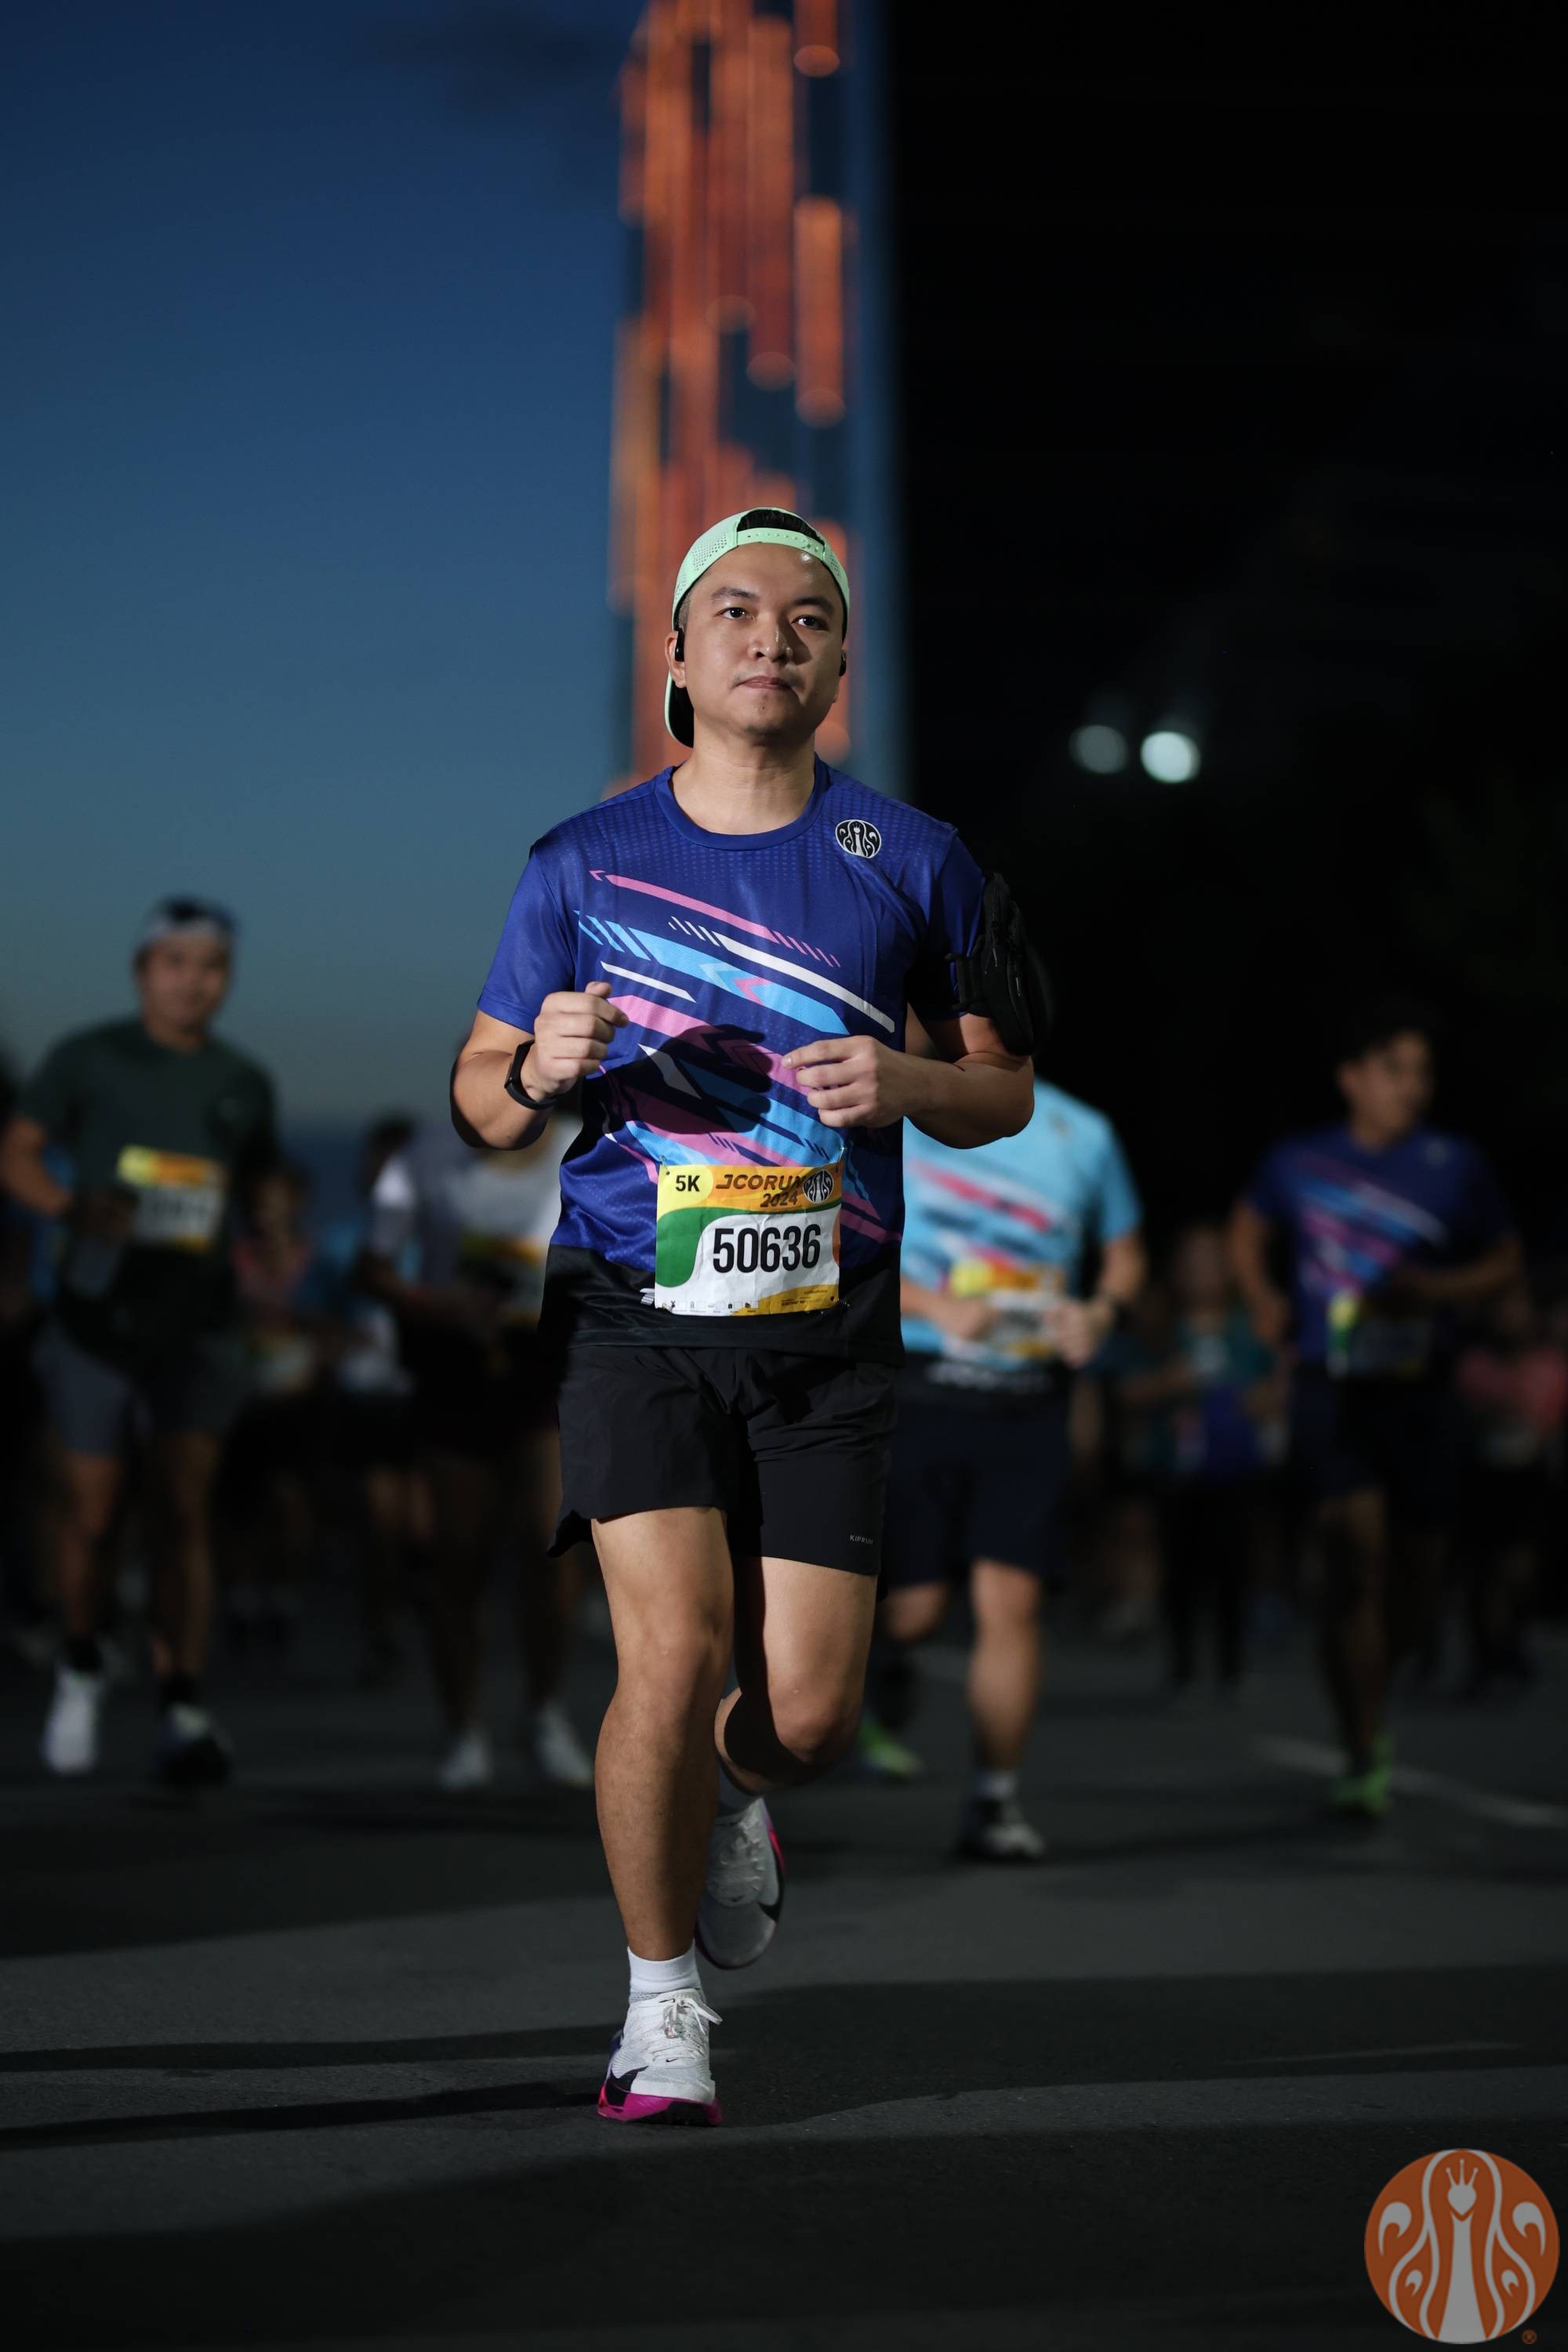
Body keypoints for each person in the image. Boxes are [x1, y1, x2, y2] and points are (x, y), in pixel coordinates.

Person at [450, 508, 1033, 2125]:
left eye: (805, 617)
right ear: (678, 654)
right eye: (734, 611)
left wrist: (909, 1080)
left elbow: (1002, 1087)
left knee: (815, 1715)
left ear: (840, 661)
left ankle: (730, 1796)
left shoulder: (915, 857)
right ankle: (661, 2010)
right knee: (670, 1651)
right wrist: (537, 1066)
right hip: (629, 1309)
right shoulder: (579, 862)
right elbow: (480, 1101)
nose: (769, 635)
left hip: (826, 1321)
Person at [0, 898, 277, 1783]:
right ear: (142, 970)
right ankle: (82, 1658)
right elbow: (17, 1152)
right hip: (97, 1320)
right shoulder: (88, 1056)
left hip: (198, 1323)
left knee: (182, 1511)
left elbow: (258, 1190)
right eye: (175, 963)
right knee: (92, 1510)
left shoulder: (245, 1080)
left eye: (211, 966)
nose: (193, 982)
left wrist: (271, 1237)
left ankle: (182, 1701)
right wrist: (69, 1207)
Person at [1229, 997, 1522, 1820]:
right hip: (1332, 1382)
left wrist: (1434, 1289)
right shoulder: (1298, 1160)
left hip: (1422, 1387)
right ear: (1352, 1078)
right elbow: (1246, 1228)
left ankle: (1373, 1680)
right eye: (1395, 1070)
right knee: (1351, 1552)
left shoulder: (1454, 1163)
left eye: (1422, 1072)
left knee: (1417, 1584)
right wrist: (1261, 1297)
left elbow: (1504, 1259)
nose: (1412, 1087)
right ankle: (1363, 1746)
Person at [869, 1026, 1145, 1857]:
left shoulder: (1083, 1132)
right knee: (914, 1611)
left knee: (1012, 1604)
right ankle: (883, 1661)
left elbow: (1124, 1254)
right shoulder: (900, 1108)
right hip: (919, 1390)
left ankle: (994, 1801)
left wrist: (1100, 1313)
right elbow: (846, 1237)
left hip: (1028, 1398)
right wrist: (933, 1306)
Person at [361, 1106, 593, 1791]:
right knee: (458, 1560)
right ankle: (463, 1729)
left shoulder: (584, 1147)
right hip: (454, 1368)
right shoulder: (422, 1157)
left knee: (553, 1546)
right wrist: (435, 1305)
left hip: (548, 1370)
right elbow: (371, 1268)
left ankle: (545, 1711)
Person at [1117, 1221, 1286, 1702]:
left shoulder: (1248, 1327)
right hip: (1174, 1465)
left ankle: (1230, 1666)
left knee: (1233, 1565)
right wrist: (1168, 1384)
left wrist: (1262, 1400)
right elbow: (1126, 1391)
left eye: (1212, 1262)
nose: (1202, 1272)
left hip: (1234, 1464)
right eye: (1192, 1263)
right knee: (1180, 1566)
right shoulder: (1160, 1328)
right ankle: (1182, 1666)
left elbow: (1277, 1385)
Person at [317, 1115, 427, 1686]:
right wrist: (335, 1339)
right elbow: (315, 1313)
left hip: (430, 1391)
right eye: (378, 1163)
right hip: (368, 1395)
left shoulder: (440, 1232)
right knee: (381, 1525)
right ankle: (383, 1632)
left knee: (425, 1527)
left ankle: (428, 1620)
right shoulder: (341, 1238)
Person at [223, 1161, 332, 1652]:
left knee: (289, 1497)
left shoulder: (316, 1261)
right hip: (242, 1398)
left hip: (297, 1401)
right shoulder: (233, 1259)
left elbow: (333, 1323)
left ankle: (285, 1592)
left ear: (296, 1203)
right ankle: (242, 1596)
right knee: (240, 1503)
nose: (266, 1213)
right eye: (259, 1203)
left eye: (276, 1201)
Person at [1454, 1279, 1567, 1696]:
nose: (1509, 1316)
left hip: (1528, 1476)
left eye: (1517, 1306)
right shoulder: (1474, 1364)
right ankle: (1483, 1656)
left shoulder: (1550, 1365)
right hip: (1483, 1477)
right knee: (1481, 1570)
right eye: (1501, 1306)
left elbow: (1550, 1420)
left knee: (1519, 1566)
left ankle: (1512, 1645)